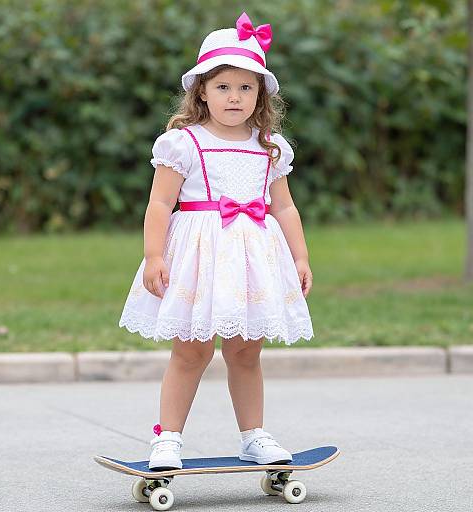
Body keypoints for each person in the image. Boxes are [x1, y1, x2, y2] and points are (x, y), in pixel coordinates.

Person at [118, 11, 314, 470]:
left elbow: (283, 206)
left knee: (246, 349)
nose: (235, 97)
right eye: (223, 86)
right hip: (199, 256)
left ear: (260, 95)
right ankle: (167, 439)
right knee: (191, 349)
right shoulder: (183, 143)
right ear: (201, 91)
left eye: (246, 88)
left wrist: (300, 256)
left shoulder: (269, 146)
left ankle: (254, 436)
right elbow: (160, 205)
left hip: (253, 258)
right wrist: (152, 255)